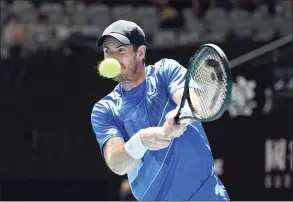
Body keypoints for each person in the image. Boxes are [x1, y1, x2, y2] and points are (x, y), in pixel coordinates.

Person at [91, 20, 230, 201]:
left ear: (140, 52)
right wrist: (141, 141)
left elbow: (190, 100)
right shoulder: (105, 109)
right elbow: (116, 164)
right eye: (107, 51)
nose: (112, 57)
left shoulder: (165, 71)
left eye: (121, 50)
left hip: (206, 196)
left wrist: (181, 116)